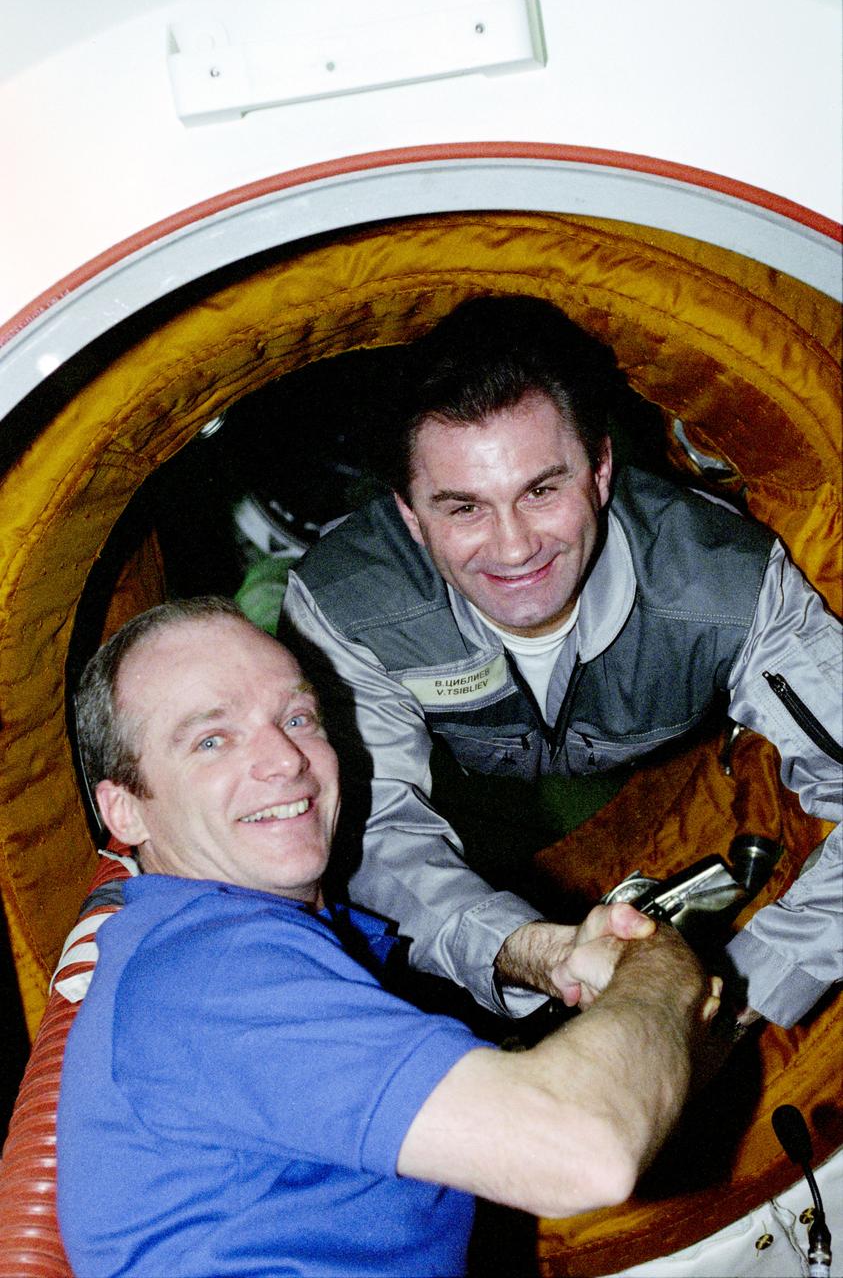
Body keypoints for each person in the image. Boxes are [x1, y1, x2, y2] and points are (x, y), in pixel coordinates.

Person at [57, 597, 715, 1278]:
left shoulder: (283, 940)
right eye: (211, 740)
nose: (284, 759)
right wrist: (659, 965)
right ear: (124, 809)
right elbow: (583, 1151)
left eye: (296, 717)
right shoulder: (211, 968)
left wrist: (555, 960)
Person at [281, 294, 842, 1032]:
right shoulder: (346, 606)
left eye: (541, 490)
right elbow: (364, 829)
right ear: (411, 517)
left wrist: (731, 993)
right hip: (474, 810)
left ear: (601, 469)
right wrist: (532, 951)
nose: (513, 548)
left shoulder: (725, 583)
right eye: (463, 508)